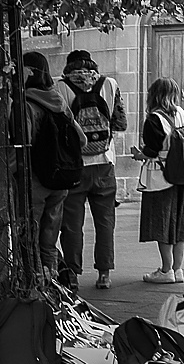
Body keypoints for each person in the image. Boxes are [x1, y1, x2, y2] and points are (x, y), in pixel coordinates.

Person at [55, 49, 127, 291]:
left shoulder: (61, 87)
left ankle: (73, 274)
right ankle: (104, 274)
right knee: (105, 222)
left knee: (72, 224)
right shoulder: (110, 84)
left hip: (75, 166)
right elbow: (120, 123)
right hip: (105, 163)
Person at [19, 52, 86, 280]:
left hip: (35, 181)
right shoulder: (59, 102)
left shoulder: (25, 104)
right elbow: (82, 140)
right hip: (60, 180)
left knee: (29, 239)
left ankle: (33, 287)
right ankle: (52, 287)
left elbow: (23, 146)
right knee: (48, 241)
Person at [131, 78, 184, 283]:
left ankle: (165, 270)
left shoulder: (153, 119)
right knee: (180, 224)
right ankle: (178, 270)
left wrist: (139, 155)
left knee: (163, 222)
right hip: (182, 177)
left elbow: (152, 150)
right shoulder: (181, 113)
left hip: (161, 177)